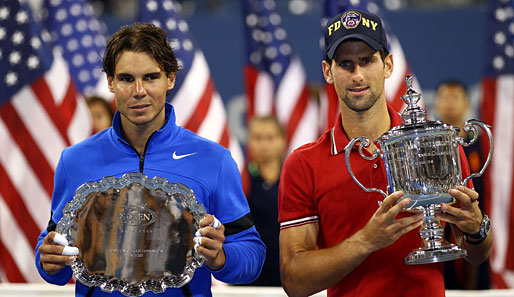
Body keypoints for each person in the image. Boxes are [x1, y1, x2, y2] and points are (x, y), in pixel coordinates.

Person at [35, 23, 265, 297]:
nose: (139, 90)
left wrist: (222, 258)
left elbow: (252, 253)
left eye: (151, 77)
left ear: (170, 79)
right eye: (127, 78)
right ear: (110, 82)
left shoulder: (214, 160)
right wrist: (47, 260)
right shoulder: (74, 160)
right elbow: (55, 248)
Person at [278, 10, 492, 297]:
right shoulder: (303, 164)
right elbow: (294, 280)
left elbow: (476, 254)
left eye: (367, 61)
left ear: (388, 64)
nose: (357, 75)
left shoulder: (437, 145)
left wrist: (477, 229)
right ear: (328, 72)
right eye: (345, 64)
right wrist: (367, 240)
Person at [435, 79, 490, 290]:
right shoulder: (430, 150)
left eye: (455, 97)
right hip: (443, 230)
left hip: (477, 228)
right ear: (436, 104)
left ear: (467, 103)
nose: (450, 103)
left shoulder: (481, 147)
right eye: (444, 97)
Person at [241, 115, 285, 286]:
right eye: (258, 138)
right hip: (249, 276)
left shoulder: (294, 179)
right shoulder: (242, 181)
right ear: (249, 142)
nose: (264, 144)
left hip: (287, 275)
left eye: (270, 138)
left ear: (282, 140)